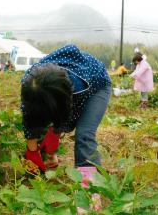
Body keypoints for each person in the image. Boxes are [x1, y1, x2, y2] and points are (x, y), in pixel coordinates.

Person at [21, 44, 111, 184]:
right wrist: (32, 151)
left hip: (96, 85)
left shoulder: (78, 87)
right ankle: (43, 160)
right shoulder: (30, 83)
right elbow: (29, 114)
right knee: (40, 120)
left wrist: (53, 142)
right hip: (57, 93)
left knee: (84, 134)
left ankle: (89, 188)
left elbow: (65, 118)